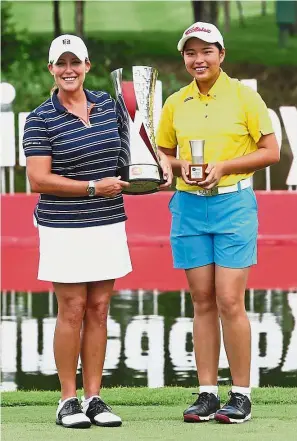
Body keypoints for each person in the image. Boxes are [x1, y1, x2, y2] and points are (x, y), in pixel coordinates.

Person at [23, 34, 172, 429]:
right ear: (51, 70)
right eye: (61, 63)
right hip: (64, 225)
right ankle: (67, 401)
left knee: (100, 310)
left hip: (106, 219)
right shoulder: (40, 118)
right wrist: (91, 187)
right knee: (72, 310)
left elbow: (135, 143)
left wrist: (158, 163)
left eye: (76, 62)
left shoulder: (109, 104)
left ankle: (94, 398)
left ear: (88, 66)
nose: (69, 70)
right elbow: (38, 179)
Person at [156, 22, 279, 424]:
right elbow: (162, 156)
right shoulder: (176, 103)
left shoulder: (245, 97)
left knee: (229, 299)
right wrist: (181, 167)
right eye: (191, 53)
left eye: (206, 51)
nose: (199, 59)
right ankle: (207, 392)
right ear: (184, 58)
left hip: (233, 205)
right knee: (202, 300)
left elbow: (271, 151)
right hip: (189, 205)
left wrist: (223, 166)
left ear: (221, 55)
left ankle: (240, 393)